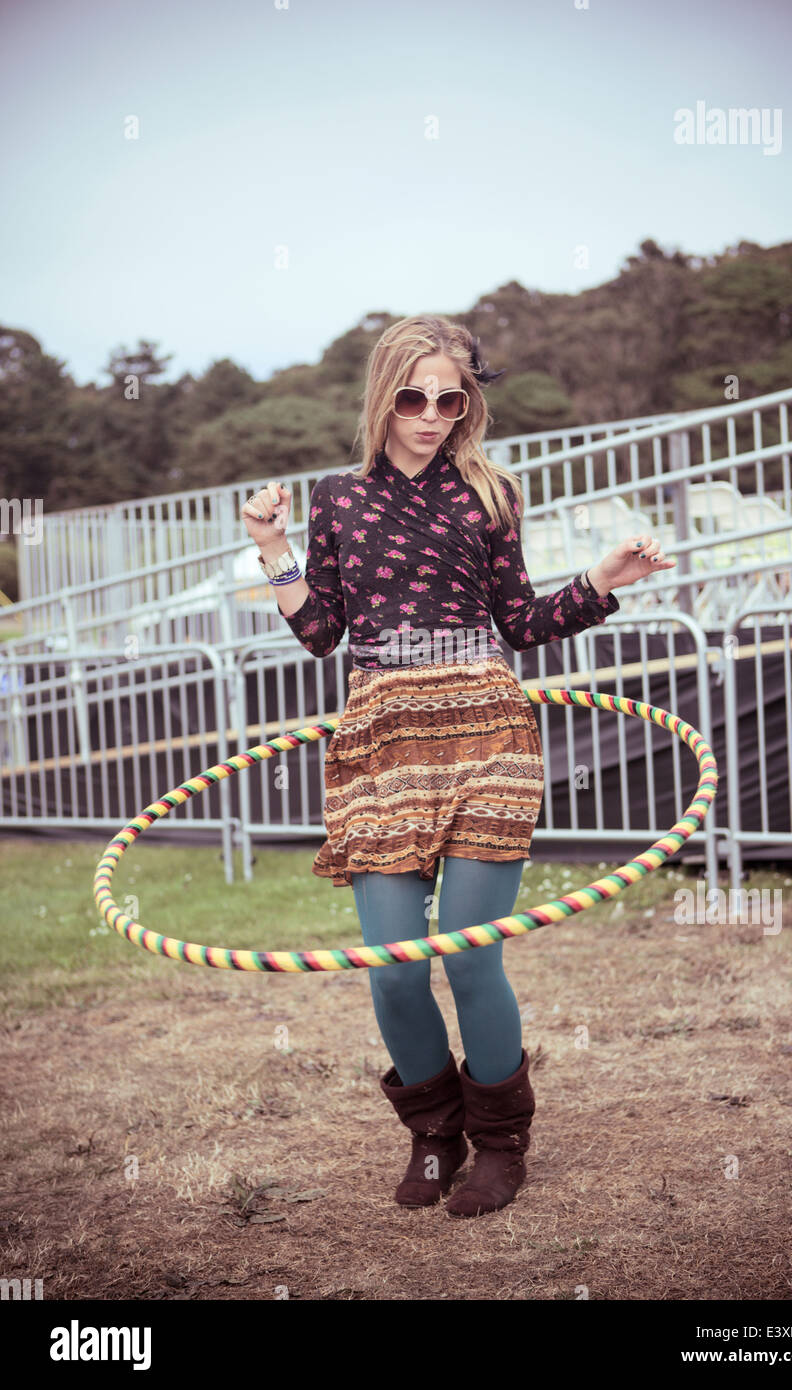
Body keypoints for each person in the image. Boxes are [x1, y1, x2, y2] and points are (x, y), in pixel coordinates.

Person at [241, 314, 675, 1218]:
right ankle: (432, 1136)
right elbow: (321, 634)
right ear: (382, 397)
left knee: (473, 961)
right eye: (413, 397)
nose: (432, 414)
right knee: (395, 966)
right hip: (383, 736)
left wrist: (600, 583)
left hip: (485, 729)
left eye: (451, 397)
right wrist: (275, 549)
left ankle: (501, 1146)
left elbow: (520, 623)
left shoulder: (490, 491)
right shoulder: (337, 497)